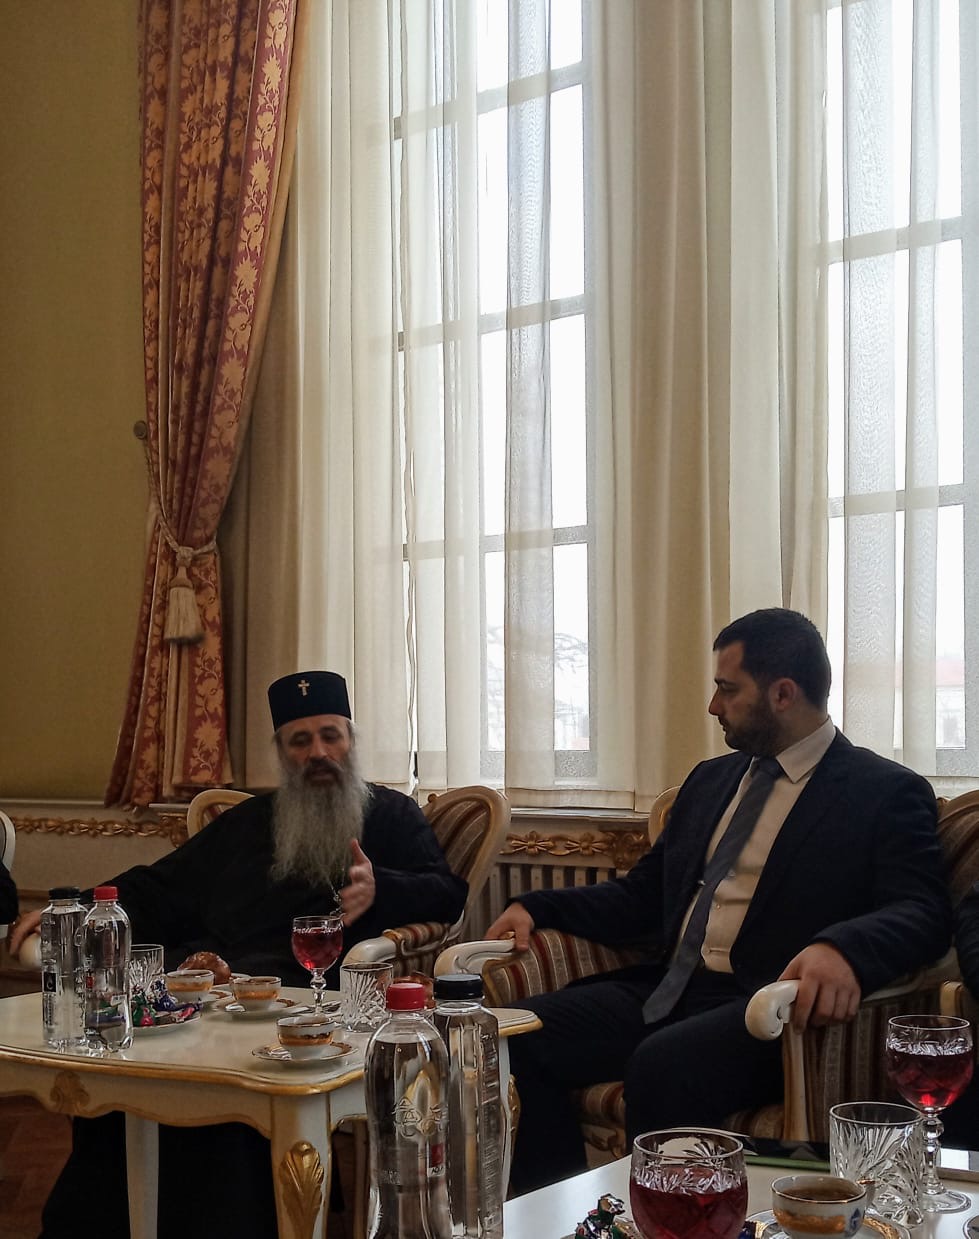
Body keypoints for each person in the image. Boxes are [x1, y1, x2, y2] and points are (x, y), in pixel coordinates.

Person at [487, 608, 952, 1194]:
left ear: (782, 693)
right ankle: (561, 1215)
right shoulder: (710, 781)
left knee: (662, 1065)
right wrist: (538, 907)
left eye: (727, 689)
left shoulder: (883, 792)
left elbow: (923, 911)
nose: (713, 706)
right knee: (512, 1038)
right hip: (668, 991)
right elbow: (641, 896)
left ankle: (670, 1225)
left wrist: (843, 949)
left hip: (767, 1012)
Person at [10, 669, 467, 1239]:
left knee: (220, 1096)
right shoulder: (248, 821)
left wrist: (384, 889)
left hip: (301, 997)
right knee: (117, 1076)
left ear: (351, 740)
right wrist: (76, 907)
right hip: (196, 992)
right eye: (300, 741)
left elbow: (447, 893)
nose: (318, 753)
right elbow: (160, 886)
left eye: (330, 735)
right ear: (282, 752)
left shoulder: (391, 816)